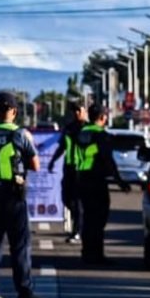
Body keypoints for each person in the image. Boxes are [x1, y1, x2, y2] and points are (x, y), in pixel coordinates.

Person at [0, 91, 53, 298]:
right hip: (13, 196)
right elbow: (36, 165)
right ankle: (25, 294)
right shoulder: (20, 134)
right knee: (19, 247)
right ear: (15, 111)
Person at [75, 103, 130, 265]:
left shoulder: (81, 134)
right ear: (102, 117)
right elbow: (108, 161)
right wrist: (120, 182)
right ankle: (97, 255)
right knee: (99, 219)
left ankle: (86, 252)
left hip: (82, 179)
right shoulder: (102, 136)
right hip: (96, 181)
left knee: (88, 218)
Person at [48, 101, 87, 244]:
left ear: (84, 111)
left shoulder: (87, 129)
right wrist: (52, 161)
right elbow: (62, 147)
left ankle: (77, 232)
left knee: (77, 203)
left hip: (81, 169)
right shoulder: (68, 129)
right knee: (66, 199)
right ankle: (79, 223)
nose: (76, 113)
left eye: (79, 110)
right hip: (68, 168)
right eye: (74, 111)